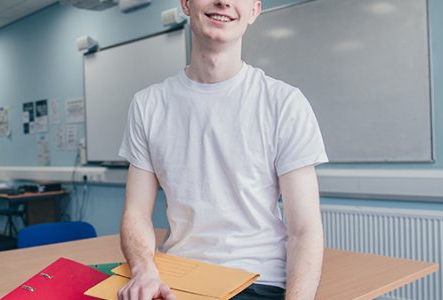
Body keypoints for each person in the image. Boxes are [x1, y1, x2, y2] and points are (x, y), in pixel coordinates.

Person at [116, 0, 328, 299]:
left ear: (254, 10)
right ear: (186, 4)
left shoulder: (284, 103)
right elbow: (136, 212)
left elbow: (304, 229)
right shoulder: (147, 105)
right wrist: (142, 268)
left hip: (257, 279)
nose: (224, 2)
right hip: (175, 278)